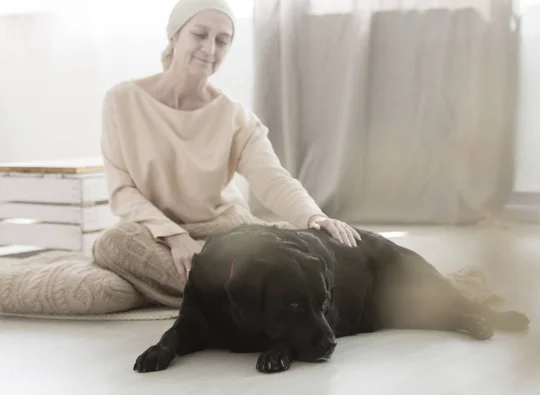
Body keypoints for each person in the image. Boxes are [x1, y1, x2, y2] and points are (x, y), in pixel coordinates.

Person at [91, 0, 360, 308]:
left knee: (311, 240)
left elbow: (272, 179)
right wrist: (175, 237)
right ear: (175, 36)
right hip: (159, 235)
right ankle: (261, 295)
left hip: (227, 234)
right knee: (114, 243)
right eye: (199, 34)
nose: (209, 48)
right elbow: (123, 191)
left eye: (222, 41)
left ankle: (228, 296)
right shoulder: (121, 101)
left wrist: (313, 216)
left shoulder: (235, 116)